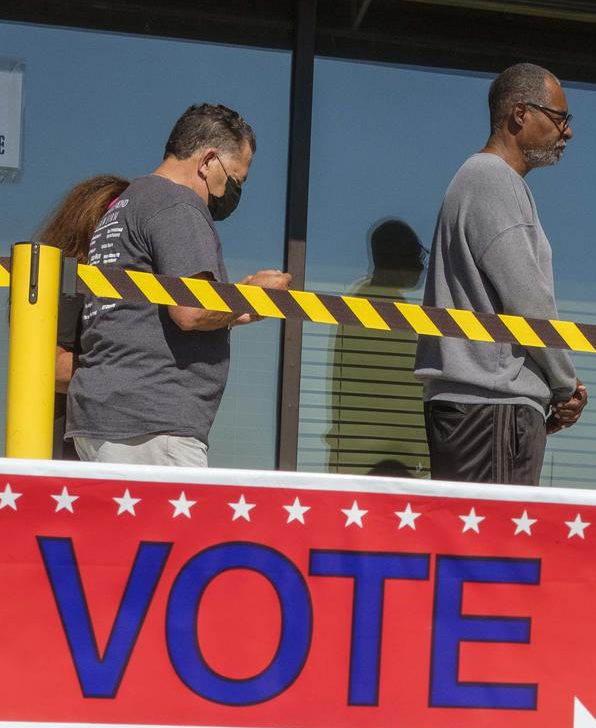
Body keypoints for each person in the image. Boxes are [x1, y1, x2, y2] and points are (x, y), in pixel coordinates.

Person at [66, 104, 287, 467]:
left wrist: (236, 311)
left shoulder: (125, 205)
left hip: (108, 419)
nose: (232, 193)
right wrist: (254, 294)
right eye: (236, 180)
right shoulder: (177, 204)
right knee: (174, 526)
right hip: (154, 423)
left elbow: (145, 313)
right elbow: (192, 309)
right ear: (208, 161)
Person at [413, 63, 588, 485]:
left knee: (476, 545)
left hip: (477, 407)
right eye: (561, 118)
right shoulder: (494, 180)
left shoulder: (478, 179)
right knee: (494, 547)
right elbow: (529, 301)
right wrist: (566, 384)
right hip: (491, 406)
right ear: (521, 114)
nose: (568, 133)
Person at [34, 174, 129, 459]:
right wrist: (134, 369)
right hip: (66, 451)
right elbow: (48, 367)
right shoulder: (68, 280)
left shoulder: (116, 284)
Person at [325, 218, 430, 476]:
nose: (420, 265)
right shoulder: (388, 309)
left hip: (359, 454)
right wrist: (426, 452)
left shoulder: (360, 300)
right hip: (383, 461)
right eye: (415, 254)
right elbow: (406, 390)